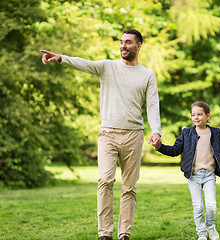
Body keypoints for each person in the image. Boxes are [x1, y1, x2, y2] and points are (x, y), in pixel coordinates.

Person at [40, 29, 162, 240]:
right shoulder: (108, 67)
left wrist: (157, 131)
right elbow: (84, 63)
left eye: (128, 42)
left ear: (139, 45)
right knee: (105, 181)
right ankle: (104, 234)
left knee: (129, 187)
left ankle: (124, 234)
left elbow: (152, 106)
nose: (123, 46)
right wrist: (60, 58)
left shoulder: (147, 75)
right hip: (108, 133)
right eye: (121, 42)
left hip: (134, 135)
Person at [152, 101, 220, 240]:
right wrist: (160, 147)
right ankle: (201, 234)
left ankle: (210, 225)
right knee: (198, 207)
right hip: (193, 176)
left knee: (211, 206)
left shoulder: (216, 133)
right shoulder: (187, 133)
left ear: (207, 116)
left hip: (209, 175)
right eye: (193, 115)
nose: (196, 117)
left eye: (200, 114)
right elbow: (174, 150)